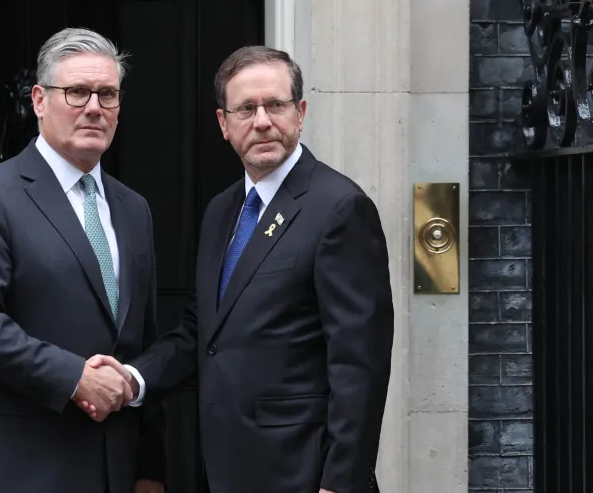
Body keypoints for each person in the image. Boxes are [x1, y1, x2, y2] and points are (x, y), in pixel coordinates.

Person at [83, 46, 394, 493]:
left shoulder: (340, 207)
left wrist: (340, 482)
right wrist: (133, 379)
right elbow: (202, 333)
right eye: (246, 109)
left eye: (276, 105)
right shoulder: (221, 210)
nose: (262, 121)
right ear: (223, 124)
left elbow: (359, 364)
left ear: (300, 113)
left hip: (304, 474)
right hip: (227, 468)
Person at [0, 27, 165, 493]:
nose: (94, 107)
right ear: (39, 100)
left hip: (111, 468)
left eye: (108, 94)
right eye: (77, 92)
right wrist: (72, 377)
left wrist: (148, 468)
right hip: (15, 467)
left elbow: (141, 341)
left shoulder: (132, 208)